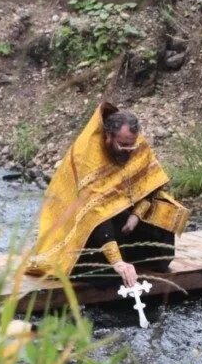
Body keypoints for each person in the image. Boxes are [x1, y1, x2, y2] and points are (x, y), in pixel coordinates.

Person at [26, 102, 189, 287]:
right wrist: (116, 261)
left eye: (131, 146)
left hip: (122, 214)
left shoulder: (135, 144)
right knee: (105, 274)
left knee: (165, 213)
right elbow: (95, 212)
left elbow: (151, 186)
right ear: (108, 136)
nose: (128, 151)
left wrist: (136, 215)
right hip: (81, 223)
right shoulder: (87, 155)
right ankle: (115, 261)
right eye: (123, 145)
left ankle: (133, 258)